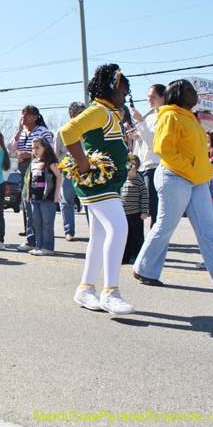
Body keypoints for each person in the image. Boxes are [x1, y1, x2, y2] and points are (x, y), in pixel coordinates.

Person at [132, 79, 213, 291]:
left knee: (208, 228)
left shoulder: (190, 117)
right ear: (177, 94)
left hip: (197, 179)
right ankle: (144, 269)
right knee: (165, 225)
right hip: (174, 176)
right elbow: (163, 149)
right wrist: (189, 167)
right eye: (189, 90)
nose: (195, 93)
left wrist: (199, 169)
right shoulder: (169, 115)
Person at [61, 63, 134, 315]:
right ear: (112, 87)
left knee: (100, 236)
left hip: (108, 183)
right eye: (123, 89)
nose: (126, 94)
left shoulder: (111, 113)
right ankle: (110, 292)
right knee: (119, 227)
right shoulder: (100, 110)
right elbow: (68, 130)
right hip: (98, 182)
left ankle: (85, 289)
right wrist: (82, 164)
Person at [11, 106, 53, 251]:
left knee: (39, 212)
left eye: (27, 115)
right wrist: (18, 131)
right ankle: (30, 241)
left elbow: (50, 149)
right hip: (25, 174)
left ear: (36, 117)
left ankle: (42, 243)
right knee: (28, 209)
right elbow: (11, 148)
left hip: (39, 175)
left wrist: (30, 154)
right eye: (22, 114)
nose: (24, 117)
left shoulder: (42, 131)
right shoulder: (22, 132)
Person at [129, 84, 165, 227]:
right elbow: (146, 142)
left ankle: (156, 238)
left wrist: (140, 122)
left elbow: (153, 143)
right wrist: (137, 137)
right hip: (144, 167)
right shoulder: (150, 117)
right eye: (148, 96)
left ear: (163, 98)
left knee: (153, 207)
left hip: (156, 167)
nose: (149, 99)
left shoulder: (164, 117)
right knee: (142, 207)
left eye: (153, 96)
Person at [54, 102, 85, 241]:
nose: (84, 116)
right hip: (68, 170)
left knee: (89, 201)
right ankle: (69, 232)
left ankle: (96, 232)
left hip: (86, 170)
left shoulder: (88, 129)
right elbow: (57, 153)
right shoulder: (62, 131)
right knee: (67, 201)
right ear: (73, 115)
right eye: (80, 113)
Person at [27, 136, 61, 256]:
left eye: (37, 148)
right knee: (36, 222)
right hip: (35, 198)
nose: (34, 151)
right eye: (33, 148)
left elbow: (59, 176)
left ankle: (48, 246)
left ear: (45, 148)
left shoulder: (50, 161)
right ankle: (38, 245)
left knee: (47, 223)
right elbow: (30, 180)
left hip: (47, 198)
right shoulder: (34, 162)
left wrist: (57, 194)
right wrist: (28, 194)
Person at [120, 155, 149, 264]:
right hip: (124, 214)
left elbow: (145, 197)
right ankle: (125, 257)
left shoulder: (139, 181)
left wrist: (145, 211)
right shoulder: (123, 181)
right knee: (125, 237)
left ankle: (139, 257)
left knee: (137, 237)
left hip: (136, 214)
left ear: (134, 168)